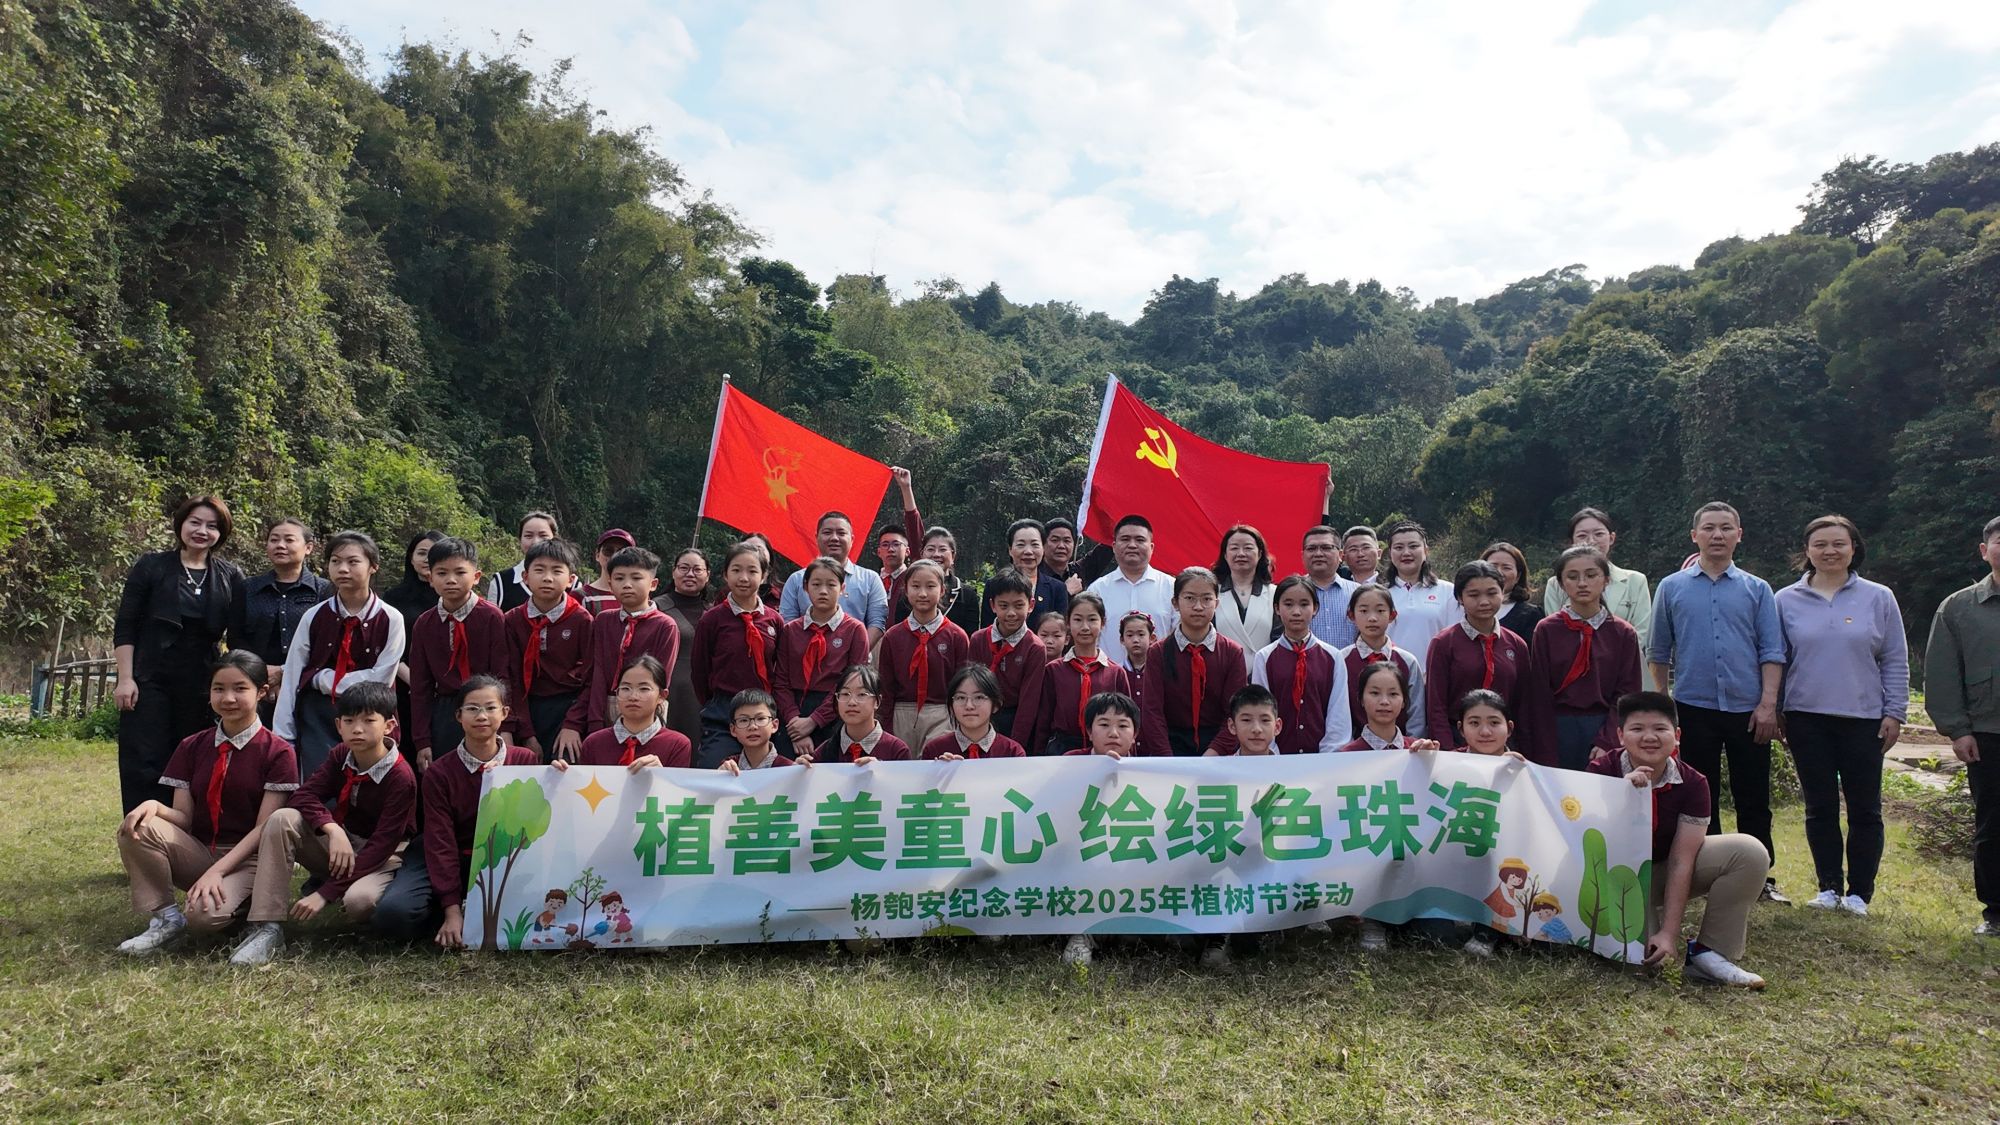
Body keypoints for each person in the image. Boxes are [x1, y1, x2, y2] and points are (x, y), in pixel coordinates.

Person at [113, 651, 298, 953]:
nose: (228, 698)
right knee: (138, 827)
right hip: (200, 851)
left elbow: (264, 830)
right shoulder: (192, 746)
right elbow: (184, 818)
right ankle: (166, 919)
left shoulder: (277, 752)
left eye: (240, 688)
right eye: (219, 688)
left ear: (261, 692)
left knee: (202, 918)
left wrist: (218, 871)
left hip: (250, 859)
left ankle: (248, 909)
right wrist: (153, 807)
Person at [1649, 502, 1788, 903]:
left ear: (1738, 535)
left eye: (1726, 528)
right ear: (1695, 536)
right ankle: (1706, 874)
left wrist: (1768, 705)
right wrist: (1664, 707)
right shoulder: (1672, 587)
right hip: (1693, 707)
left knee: (1753, 795)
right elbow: (1658, 651)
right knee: (1700, 797)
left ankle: (1760, 878)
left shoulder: (1757, 589)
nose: (1717, 535)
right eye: (1709, 528)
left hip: (1748, 708)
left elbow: (1772, 650)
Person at [1590, 692, 1770, 988]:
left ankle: (1710, 954)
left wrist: (1669, 934)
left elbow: (1681, 860)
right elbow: (1593, 844)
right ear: (1620, 735)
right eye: (1637, 729)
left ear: (1676, 736)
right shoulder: (1601, 772)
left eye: (1660, 729)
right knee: (1640, 964)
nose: (1649, 737)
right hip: (1616, 878)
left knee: (1749, 853)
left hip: (1660, 871)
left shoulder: (1694, 783)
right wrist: (1621, 795)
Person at [232, 681, 416, 966]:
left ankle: (363, 916)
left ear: (389, 726)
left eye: (369, 721)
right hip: (344, 843)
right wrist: (331, 829)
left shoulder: (400, 776)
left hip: (385, 855)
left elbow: (382, 845)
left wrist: (324, 894)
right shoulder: (341, 755)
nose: (357, 729)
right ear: (338, 725)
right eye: (349, 721)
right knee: (283, 818)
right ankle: (267, 926)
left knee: (359, 902)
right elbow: (303, 796)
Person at [1777, 515, 1908, 916]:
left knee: (1865, 808)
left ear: (1854, 548)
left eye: (1839, 543)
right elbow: (1777, 660)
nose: (1829, 551)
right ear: (1807, 551)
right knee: (1819, 807)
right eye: (1820, 544)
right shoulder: (1785, 600)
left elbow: (1894, 659)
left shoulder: (1879, 597)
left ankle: (1859, 894)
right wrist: (1776, 708)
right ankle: (1829, 887)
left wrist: (1895, 711)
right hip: (1805, 717)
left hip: (1864, 718)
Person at [374, 676, 539, 946]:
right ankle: (450, 909)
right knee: (394, 915)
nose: (482, 716)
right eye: (472, 709)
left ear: (505, 713)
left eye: (490, 708)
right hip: (447, 853)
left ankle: (468, 908)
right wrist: (451, 910)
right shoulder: (439, 773)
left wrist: (558, 779)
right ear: (458, 716)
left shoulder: (524, 760)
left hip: (500, 859)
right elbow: (441, 842)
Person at [114, 495, 245, 812]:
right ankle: (143, 833)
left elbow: (239, 638)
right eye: (195, 522)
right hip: (149, 679)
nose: (202, 531)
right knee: (144, 760)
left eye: (212, 526)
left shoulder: (230, 576)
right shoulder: (151, 566)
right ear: (181, 524)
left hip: (202, 683)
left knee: (193, 760)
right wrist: (125, 679)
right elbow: (126, 625)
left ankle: (185, 834)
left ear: (221, 533)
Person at [1921, 514, 2000, 938]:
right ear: (1985, 551)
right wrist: (1958, 729)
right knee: (1993, 824)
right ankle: (1996, 912)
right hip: (1987, 733)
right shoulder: (1958, 608)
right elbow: (1942, 674)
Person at [273, 531, 406, 780]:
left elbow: (381, 679)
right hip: (317, 716)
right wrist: (284, 735)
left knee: (368, 785)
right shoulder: (314, 616)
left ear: (373, 566)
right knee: (318, 783)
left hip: (371, 714)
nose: (342, 569)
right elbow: (292, 676)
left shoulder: (391, 618)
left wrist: (319, 678)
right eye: (335, 561)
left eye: (353, 561)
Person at [1525, 546, 1643, 770]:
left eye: (1591, 575)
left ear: (1606, 580)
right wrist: (1546, 747)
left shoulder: (1622, 632)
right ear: (1561, 583)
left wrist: (1607, 740)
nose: (1582, 583)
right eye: (1572, 576)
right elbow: (1539, 693)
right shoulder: (1547, 629)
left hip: (1605, 726)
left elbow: (1627, 693)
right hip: (1557, 728)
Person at [406, 537, 510, 768]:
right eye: (442, 573)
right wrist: (422, 740)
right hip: (444, 712)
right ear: (430, 578)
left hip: (486, 709)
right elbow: (420, 687)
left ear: (476, 576)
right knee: (446, 773)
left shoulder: (492, 617)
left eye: (460, 572)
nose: (451, 580)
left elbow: (502, 674)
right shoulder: (425, 623)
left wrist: (506, 726)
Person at [1058, 691, 1143, 968]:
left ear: (1135, 733)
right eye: (1104, 724)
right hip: (1080, 850)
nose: (1113, 733)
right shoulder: (1070, 762)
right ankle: (1082, 934)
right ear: (1089, 731)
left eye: (1123, 725)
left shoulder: (1150, 770)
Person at [691, 542, 787, 768]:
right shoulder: (712, 619)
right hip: (723, 713)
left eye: (752, 571)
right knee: (716, 772)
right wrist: (717, 703)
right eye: (736, 570)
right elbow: (700, 671)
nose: (744, 578)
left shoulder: (774, 620)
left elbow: (781, 670)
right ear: (725, 574)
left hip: (764, 710)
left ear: (764, 576)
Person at [229, 517, 332, 724]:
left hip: (307, 685)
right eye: (274, 540)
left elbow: (326, 643)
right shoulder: (247, 588)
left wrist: (284, 672)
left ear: (308, 547)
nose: (280, 545)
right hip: (254, 684)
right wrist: (261, 673)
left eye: (289, 540)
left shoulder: (324, 590)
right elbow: (235, 637)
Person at [1140, 568, 1250, 757]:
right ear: (1175, 603)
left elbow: (1235, 713)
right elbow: (1152, 712)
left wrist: (1214, 754)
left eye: (1206, 599)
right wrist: (1167, 758)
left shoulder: (1232, 652)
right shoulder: (1158, 653)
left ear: (1216, 603)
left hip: (1218, 750)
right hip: (1170, 749)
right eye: (1190, 598)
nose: (1198, 607)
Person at [1423, 561, 1532, 753]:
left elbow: (1523, 705)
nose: (1484, 602)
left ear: (1502, 593)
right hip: (1458, 741)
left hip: (1503, 744)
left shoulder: (1516, 644)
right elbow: (1436, 706)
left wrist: (1523, 751)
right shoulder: (1444, 643)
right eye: (1474, 595)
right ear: (1460, 598)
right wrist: (1447, 753)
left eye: (1492, 593)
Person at [575, 546, 676, 740]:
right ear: (610, 584)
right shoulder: (603, 620)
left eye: (636, 578)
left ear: (653, 584)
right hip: (605, 707)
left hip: (647, 712)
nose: (627, 584)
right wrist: (595, 721)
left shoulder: (665, 625)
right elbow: (598, 672)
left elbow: (660, 680)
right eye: (619, 578)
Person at [504, 538, 591, 762]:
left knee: (565, 765)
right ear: (525, 577)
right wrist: (526, 733)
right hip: (524, 708)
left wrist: (572, 724)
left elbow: (591, 678)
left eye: (557, 571)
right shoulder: (513, 620)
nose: (547, 578)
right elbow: (511, 679)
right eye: (539, 570)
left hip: (569, 709)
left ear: (571, 580)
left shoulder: (582, 620)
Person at [1541, 507, 1653, 675]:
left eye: (1599, 534)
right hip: (1571, 670)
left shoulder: (1635, 581)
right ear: (1572, 542)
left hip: (1625, 669)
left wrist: (1607, 660)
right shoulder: (1556, 584)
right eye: (1582, 535)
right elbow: (1556, 633)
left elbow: (1642, 632)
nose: (1591, 541)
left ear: (1611, 538)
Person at [776, 557, 871, 754]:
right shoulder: (791, 630)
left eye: (831, 585)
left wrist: (814, 720)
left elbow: (853, 682)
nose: (823, 591)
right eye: (816, 584)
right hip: (792, 715)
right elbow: (781, 682)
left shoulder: (854, 630)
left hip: (835, 712)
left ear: (842, 588)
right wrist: (795, 723)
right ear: (805, 587)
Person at [1019, 593, 1131, 755]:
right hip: (1060, 751)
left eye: (1092, 619)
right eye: (1078, 619)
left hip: (1104, 751)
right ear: (1068, 623)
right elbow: (1043, 720)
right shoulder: (1053, 670)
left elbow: (1127, 720)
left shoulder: (1115, 673)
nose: (1085, 627)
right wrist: (1040, 757)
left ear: (1103, 623)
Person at [879, 560, 971, 747]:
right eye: (915, 586)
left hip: (942, 713)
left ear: (942, 590)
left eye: (930, 586)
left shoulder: (957, 636)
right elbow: (886, 687)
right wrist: (885, 726)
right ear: (906, 590)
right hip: (901, 713)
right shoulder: (893, 636)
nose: (922, 593)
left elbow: (962, 685)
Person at [1250, 576, 1344, 754]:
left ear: (1315, 608)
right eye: (1288, 604)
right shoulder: (1264, 657)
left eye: (1304, 604)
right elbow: (1261, 711)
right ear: (1277, 608)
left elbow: (1338, 712)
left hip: (1323, 759)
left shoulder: (1333, 657)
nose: (1296, 612)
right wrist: (1272, 752)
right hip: (1277, 756)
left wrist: (1329, 755)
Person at [1329, 584, 1427, 747]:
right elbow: (1338, 713)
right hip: (1355, 750)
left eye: (1380, 610)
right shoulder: (1341, 660)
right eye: (1364, 611)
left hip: (1402, 749)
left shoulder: (1407, 661)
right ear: (1351, 615)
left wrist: (1412, 746)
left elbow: (1416, 713)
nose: (1372, 618)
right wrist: (1349, 749)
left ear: (1392, 615)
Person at [561, 656, 693, 769]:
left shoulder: (677, 745)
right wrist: (560, 777)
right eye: (625, 688)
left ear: (662, 696)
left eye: (644, 689)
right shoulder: (594, 743)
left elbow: (676, 790)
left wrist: (662, 775)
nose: (633, 696)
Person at [778, 511, 890, 641]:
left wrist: (858, 650)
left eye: (841, 533)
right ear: (817, 537)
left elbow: (877, 623)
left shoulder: (870, 579)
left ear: (852, 539)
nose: (834, 538)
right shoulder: (797, 580)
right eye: (827, 533)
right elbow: (788, 623)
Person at [968, 569, 1048, 739]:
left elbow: (1029, 702)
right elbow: (971, 687)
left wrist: (1016, 744)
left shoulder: (1035, 648)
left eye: (1019, 605)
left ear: (1031, 605)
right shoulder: (978, 639)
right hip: (979, 716)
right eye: (1003, 606)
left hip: (1015, 720)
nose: (1011, 613)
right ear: (993, 605)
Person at [380, 529, 443, 741]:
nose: (427, 559)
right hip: (403, 684)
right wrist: (415, 680)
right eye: (421, 553)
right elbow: (386, 644)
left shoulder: (451, 596)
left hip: (446, 689)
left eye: (433, 554)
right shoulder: (393, 597)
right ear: (411, 557)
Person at [1087, 515, 1175, 665]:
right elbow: (1089, 638)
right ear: (1114, 546)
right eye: (1125, 539)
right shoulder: (1097, 590)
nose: (1132, 545)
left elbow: (1179, 636)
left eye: (1140, 540)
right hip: (1109, 676)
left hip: (1159, 676)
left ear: (1151, 547)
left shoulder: (1171, 587)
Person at [655, 547, 714, 749]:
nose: (690, 574)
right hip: (668, 693)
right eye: (684, 568)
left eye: (697, 569)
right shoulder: (657, 608)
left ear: (708, 575)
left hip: (704, 697)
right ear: (673, 572)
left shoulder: (714, 613)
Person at [1381, 520, 1462, 660]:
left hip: (1435, 671)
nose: (1406, 553)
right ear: (1390, 553)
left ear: (1426, 551)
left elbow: (1456, 639)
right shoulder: (1379, 594)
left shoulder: (1449, 591)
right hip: (1389, 671)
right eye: (1399, 547)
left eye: (1413, 546)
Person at [803, 666, 912, 764]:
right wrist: (799, 770)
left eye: (861, 694)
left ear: (877, 701)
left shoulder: (897, 750)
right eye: (845, 694)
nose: (852, 702)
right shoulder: (823, 752)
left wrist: (880, 771)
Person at [923, 664, 1028, 760]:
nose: (969, 706)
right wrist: (940, 771)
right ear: (951, 706)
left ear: (996, 705)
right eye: (961, 698)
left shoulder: (1012, 752)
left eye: (978, 697)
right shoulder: (934, 750)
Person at [1335, 663, 1441, 754]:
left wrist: (1430, 760)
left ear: (1404, 701)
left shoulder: (1418, 750)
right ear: (1361, 699)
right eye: (1375, 693)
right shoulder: (1348, 755)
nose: (1384, 701)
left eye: (1393, 694)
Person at [983, 518, 1068, 626]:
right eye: (1021, 545)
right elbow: (987, 628)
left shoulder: (1057, 588)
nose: (1028, 551)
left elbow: (1060, 630)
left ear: (1043, 549)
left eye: (1035, 545)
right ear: (1010, 550)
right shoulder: (993, 585)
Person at [903, 525, 981, 634]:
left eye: (942, 549)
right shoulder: (909, 590)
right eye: (930, 549)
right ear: (922, 554)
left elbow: (970, 637)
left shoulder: (967, 595)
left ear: (953, 556)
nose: (936, 554)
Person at [1213, 524, 1278, 651]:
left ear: (1260, 554)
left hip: (1264, 663)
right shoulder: (1212, 593)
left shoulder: (1275, 594)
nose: (1241, 554)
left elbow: (1279, 639)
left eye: (1248, 548)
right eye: (1234, 548)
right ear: (1225, 555)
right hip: (1223, 664)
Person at [485, 512, 563, 610]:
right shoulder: (501, 582)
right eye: (528, 536)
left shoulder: (570, 583)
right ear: (520, 540)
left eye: (543, 536)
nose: (535, 542)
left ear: (555, 539)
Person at [878, 467, 927, 618]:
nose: (890, 549)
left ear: (908, 551)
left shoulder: (913, 577)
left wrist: (906, 488)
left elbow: (915, 533)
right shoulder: (871, 581)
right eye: (885, 545)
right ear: (878, 552)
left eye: (896, 544)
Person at [1301, 525, 1361, 649]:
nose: (1318, 554)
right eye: (1311, 548)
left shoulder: (1358, 592)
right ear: (1303, 555)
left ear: (1340, 555)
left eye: (1326, 548)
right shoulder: (1291, 593)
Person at [715, 689, 801, 773]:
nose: (752, 726)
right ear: (733, 729)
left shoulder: (788, 768)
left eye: (760, 719)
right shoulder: (728, 768)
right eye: (744, 720)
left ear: (774, 725)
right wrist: (720, 776)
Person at [1482, 541, 1543, 640]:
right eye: (1492, 566)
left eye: (1506, 568)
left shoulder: (1531, 615)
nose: (1499, 572)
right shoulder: (1465, 607)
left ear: (1518, 576)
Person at [1206, 684, 1283, 757]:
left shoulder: (1285, 765)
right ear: (1232, 726)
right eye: (1246, 720)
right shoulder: (1225, 766)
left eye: (1265, 720)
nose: (1256, 729)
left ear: (1277, 726)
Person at [579, 529, 636, 616]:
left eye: (623, 552)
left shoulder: (638, 596)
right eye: (608, 550)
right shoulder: (582, 597)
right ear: (597, 555)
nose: (614, 556)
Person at [1119, 611, 1155, 708]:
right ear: (1122, 639)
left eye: (1141, 634)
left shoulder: (1158, 670)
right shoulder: (1117, 672)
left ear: (1152, 638)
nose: (1135, 640)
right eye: (1130, 635)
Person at [1045, 518, 1085, 596]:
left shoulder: (1077, 572)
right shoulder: (1032, 575)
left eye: (1067, 541)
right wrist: (1066, 591)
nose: (1061, 546)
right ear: (1043, 543)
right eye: (1055, 540)